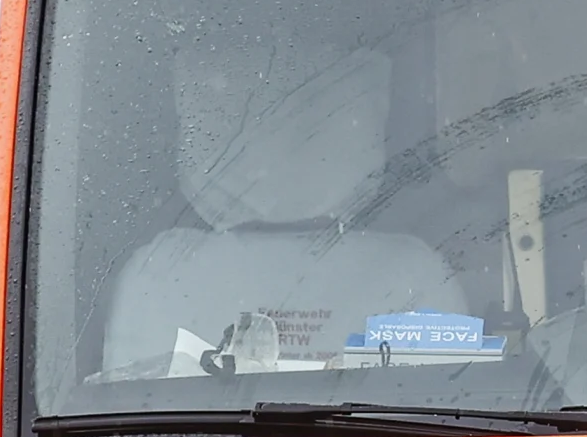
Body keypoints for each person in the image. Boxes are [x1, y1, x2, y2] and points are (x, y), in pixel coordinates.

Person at [100, 38, 469, 381]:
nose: (286, 143)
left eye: (313, 115)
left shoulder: (160, 277)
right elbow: (449, 406)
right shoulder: (411, 274)